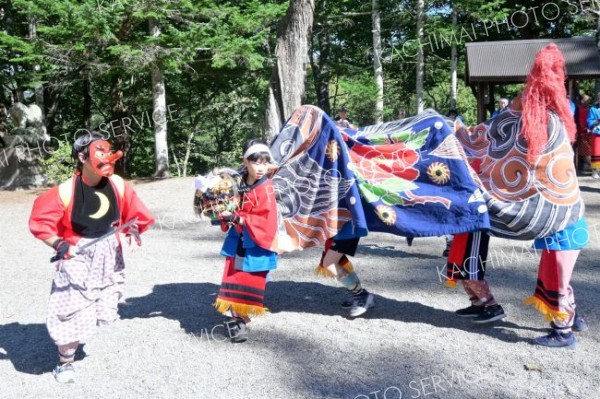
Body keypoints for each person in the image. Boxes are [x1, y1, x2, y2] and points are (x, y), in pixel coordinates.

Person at [451, 44, 589, 347]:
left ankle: (563, 332)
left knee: (557, 274)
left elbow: (486, 136)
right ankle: (573, 319)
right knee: (559, 271)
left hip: (556, 215)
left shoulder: (530, 110)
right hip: (569, 210)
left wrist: (454, 131)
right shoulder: (560, 111)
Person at [29, 131, 155, 383]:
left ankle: (90, 320)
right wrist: (60, 245)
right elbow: (41, 223)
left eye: (108, 151)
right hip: (77, 253)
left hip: (110, 251)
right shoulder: (65, 191)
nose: (107, 157)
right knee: (70, 307)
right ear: (82, 156)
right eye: (99, 151)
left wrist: (132, 229)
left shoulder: (118, 184)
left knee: (105, 305)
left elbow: (135, 213)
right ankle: (65, 361)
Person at [214, 139, 279, 343]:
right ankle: (237, 320)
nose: (261, 168)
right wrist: (221, 210)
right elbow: (228, 202)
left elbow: (266, 220)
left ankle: (239, 316)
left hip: (255, 241)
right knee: (234, 277)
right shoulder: (237, 181)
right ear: (246, 161)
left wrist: (239, 218)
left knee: (252, 279)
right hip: (239, 239)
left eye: (264, 163)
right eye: (256, 162)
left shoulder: (266, 188)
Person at [316, 237, 374, 317]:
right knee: (334, 261)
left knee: (329, 263)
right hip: (341, 229)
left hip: (346, 228)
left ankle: (361, 295)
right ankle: (360, 294)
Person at [575, 94, 592, 172]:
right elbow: (581, 122)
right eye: (586, 100)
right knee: (586, 151)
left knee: (588, 150)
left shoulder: (588, 109)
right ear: (582, 101)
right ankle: (591, 166)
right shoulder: (580, 109)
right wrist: (585, 129)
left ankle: (589, 166)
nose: (588, 101)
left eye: (588, 100)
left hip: (588, 132)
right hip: (583, 133)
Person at [586, 92, 600, 179]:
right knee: (596, 152)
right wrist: (597, 121)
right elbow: (589, 122)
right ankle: (595, 171)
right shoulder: (593, 109)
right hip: (597, 133)